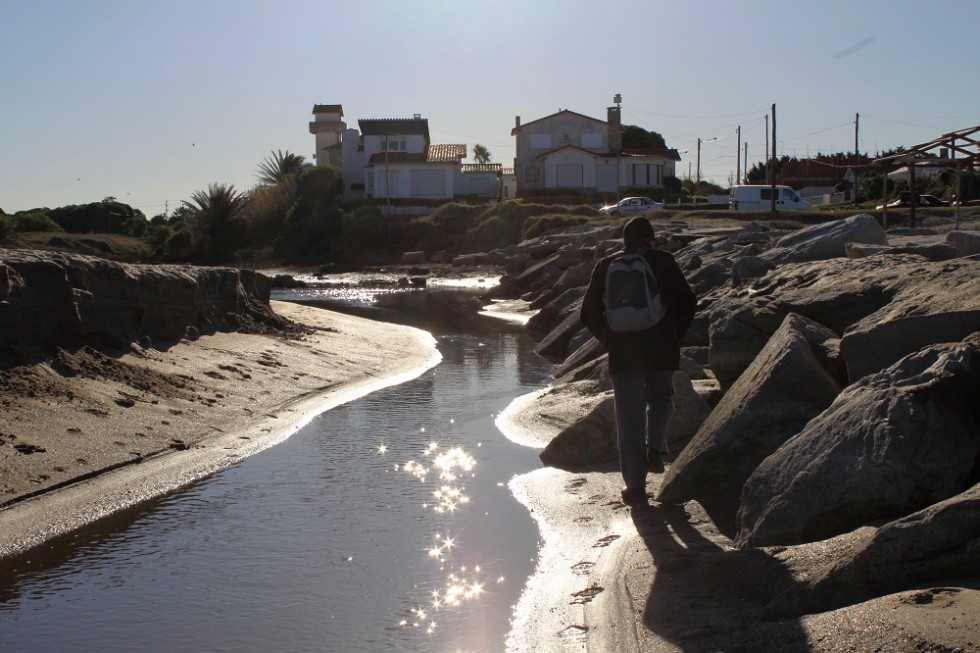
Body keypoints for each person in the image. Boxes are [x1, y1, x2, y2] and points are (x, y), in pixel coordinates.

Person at [580, 216, 697, 505]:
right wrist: (673, 334)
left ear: (625, 240)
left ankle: (634, 488)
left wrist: (610, 339)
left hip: (623, 354)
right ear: (650, 239)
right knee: (660, 398)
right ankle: (656, 448)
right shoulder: (663, 261)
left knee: (629, 418)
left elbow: (588, 313)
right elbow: (688, 302)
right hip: (660, 349)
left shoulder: (606, 265)